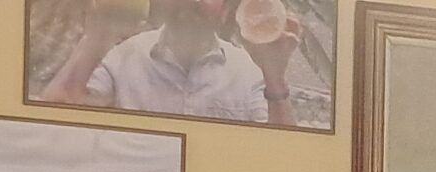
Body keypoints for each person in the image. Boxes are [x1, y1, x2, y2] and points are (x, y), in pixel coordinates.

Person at [40, 0, 306, 127]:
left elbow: (284, 154)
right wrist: (98, 36)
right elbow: (53, 117)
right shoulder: (123, 58)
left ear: (226, 10)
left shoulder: (248, 74)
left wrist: (274, 77)